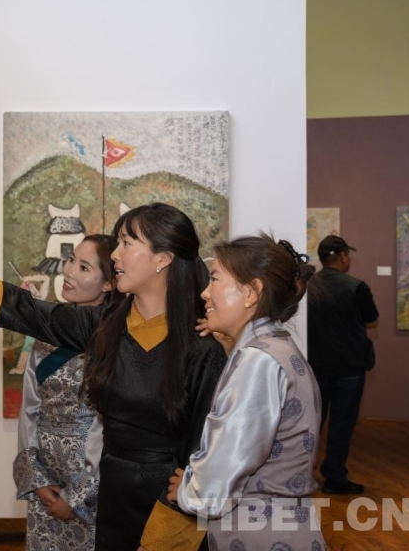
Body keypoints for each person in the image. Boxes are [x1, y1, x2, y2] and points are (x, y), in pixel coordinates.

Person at [0, 203, 227, 549]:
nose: (116, 254)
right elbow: (27, 311)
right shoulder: (107, 326)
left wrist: (173, 526)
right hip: (112, 500)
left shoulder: (202, 347)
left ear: (163, 258)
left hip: (166, 505)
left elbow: (204, 450)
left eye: (127, 243)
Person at [140, 235, 326, 551]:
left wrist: (188, 490)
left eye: (214, 280)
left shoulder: (258, 359)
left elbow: (224, 466)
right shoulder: (274, 347)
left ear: (251, 293)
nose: (204, 293)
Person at [14, 234, 123, 550]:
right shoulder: (48, 331)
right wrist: (37, 479)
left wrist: (77, 495)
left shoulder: (115, 340)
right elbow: (30, 409)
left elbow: (111, 426)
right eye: (72, 260)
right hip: (46, 480)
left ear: (108, 284)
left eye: (84, 267)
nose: (69, 271)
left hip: (94, 483)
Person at [307, 234, 378, 495]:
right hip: (349, 366)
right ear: (344, 256)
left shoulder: (308, 286)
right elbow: (372, 321)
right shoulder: (357, 287)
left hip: (315, 365)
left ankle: (303, 473)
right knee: (342, 423)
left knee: (311, 423)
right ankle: (335, 477)